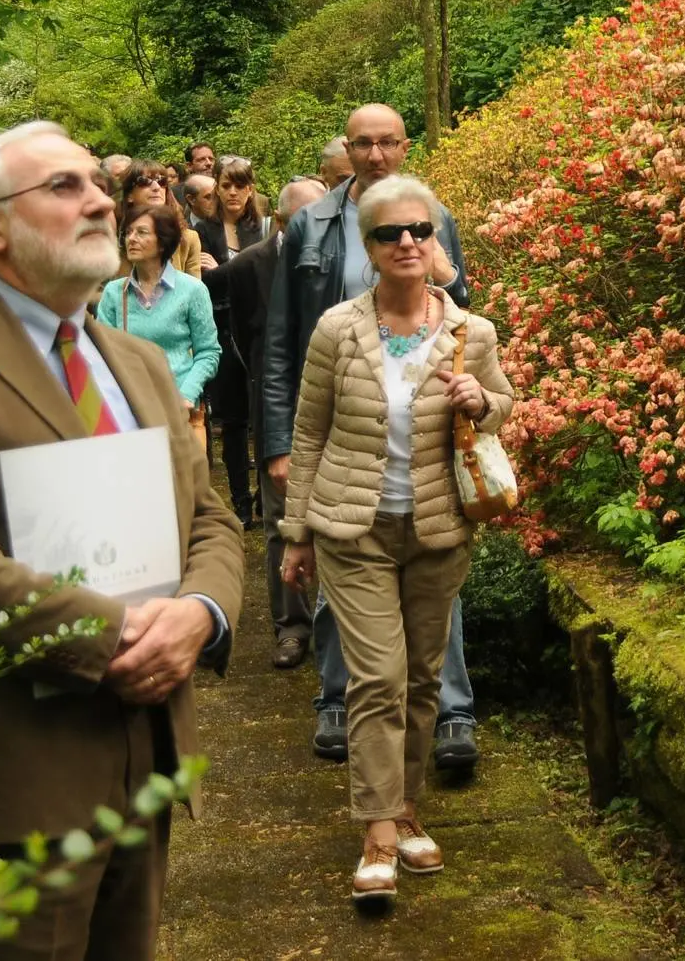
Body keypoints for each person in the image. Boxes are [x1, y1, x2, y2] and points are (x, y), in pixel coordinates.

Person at [0, 120, 242, 961]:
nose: (100, 198)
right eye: (64, 186)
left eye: (98, 182)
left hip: (150, 761)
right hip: (14, 784)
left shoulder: (137, 362)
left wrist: (201, 612)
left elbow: (207, 516)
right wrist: (115, 633)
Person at [279, 175, 514, 903]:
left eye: (420, 229)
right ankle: (378, 830)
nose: (407, 241)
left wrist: (483, 399)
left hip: (439, 528)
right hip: (354, 527)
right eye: (390, 233)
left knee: (418, 676)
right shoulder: (337, 330)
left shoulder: (471, 331)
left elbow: (502, 404)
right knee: (377, 677)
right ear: (370, 246)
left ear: (436, 237)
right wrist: (295, 533)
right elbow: (309, 430)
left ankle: (406, 805)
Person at [262, 105, 481, 769]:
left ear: (405, 145)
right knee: (339, 562)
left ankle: (451, 710)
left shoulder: (431, 213)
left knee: (436, 567)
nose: (378, 153)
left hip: (425, 421)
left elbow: (466, 310)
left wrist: (445, 271)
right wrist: (277, 439)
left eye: (389, 141)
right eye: (364, 143)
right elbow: (279, 338)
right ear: (346, 150)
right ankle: (336, 695)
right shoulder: (313, 223)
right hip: (339, 416)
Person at [222, 177, 327, 666]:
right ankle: (291, 626)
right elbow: (244, 340)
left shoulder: (338, 254)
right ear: (282, 220)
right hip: (275, 404)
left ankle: (335, 624)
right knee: (281, 522)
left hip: (333, 404)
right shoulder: (247, 266)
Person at [192, 158, 268, 526]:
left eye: (241, 185)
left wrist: (222, 270)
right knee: (233, 421)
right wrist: (239, 269)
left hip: (257, 328)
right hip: (220, 329)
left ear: (251, 188)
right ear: (217, 190)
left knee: (265, 414)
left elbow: (258, 275)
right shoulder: (203, 230)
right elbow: (201, 284)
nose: (234, 192)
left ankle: (266, 496)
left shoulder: (262, 228)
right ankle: (240, 499)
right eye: (227, 185)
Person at [98, 207, 222, 419]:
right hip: (130, 408)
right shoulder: (114, 292)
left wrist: (187, 394)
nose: (131, 239)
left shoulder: (192, 290)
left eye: (141, 232)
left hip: (179, 407)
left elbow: (208, 352)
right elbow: (102, 354)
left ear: (163, 241)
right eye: (128, 232)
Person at [120, 160, 205, 276]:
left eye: (162, 181)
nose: (156, 187)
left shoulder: (188, 238)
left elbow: (196, 291)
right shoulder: (114, 240)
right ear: (129, 195)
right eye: (144, 181)